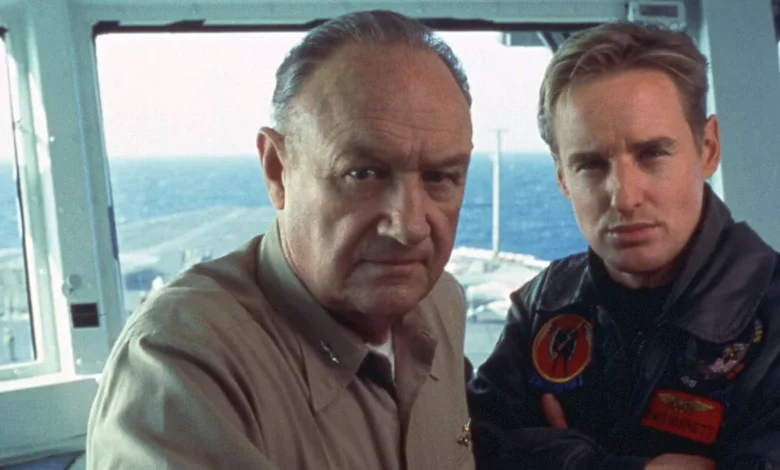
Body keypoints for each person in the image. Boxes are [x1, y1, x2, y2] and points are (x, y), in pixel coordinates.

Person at [87, 10, 476, 470]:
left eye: (439, 177)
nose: (409, 226)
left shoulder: (442, 303)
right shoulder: (179, 368)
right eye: (363, 173)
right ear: (277, 170)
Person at [468, 21, 780, 470]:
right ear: (562, 177)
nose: (624, 197)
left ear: (708, 148)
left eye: (652, 154)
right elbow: (474, 446)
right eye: (590, 165)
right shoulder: (544, 305)